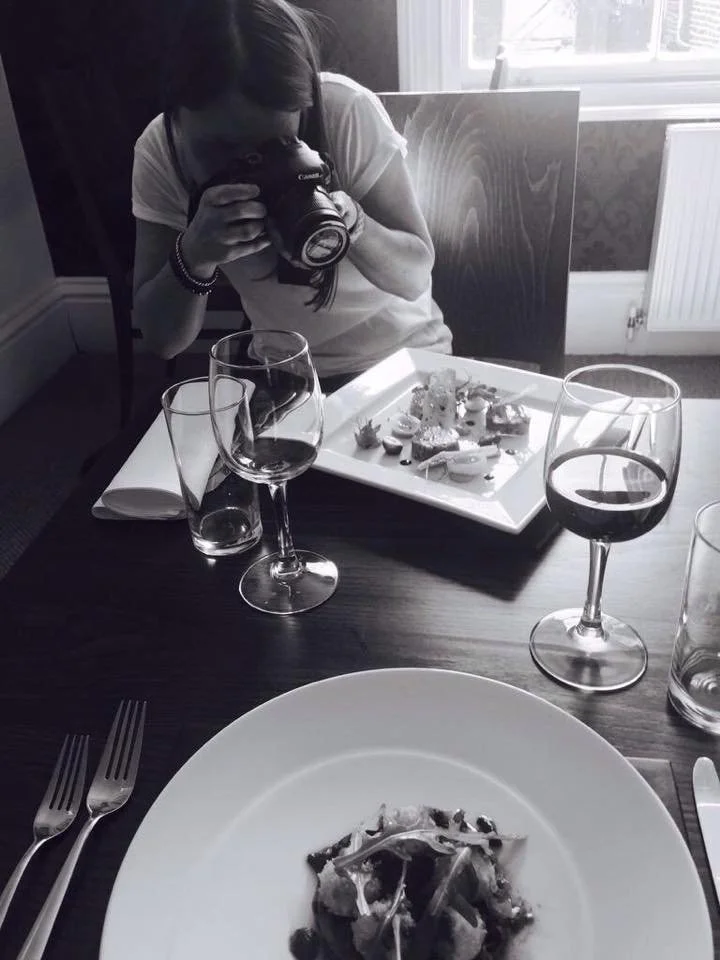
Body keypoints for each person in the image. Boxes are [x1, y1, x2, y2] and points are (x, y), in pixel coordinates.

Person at [131, 0, 452, 387]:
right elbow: (162, 342)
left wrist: (354, 225)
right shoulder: (162, 151)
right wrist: (193, 257)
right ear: (176, 117)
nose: (249, 167)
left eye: (276, 145)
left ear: (305, 108)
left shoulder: (344, 112)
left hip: (402, 360)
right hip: (286, 371)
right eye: (219, 149)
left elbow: (414, 277)